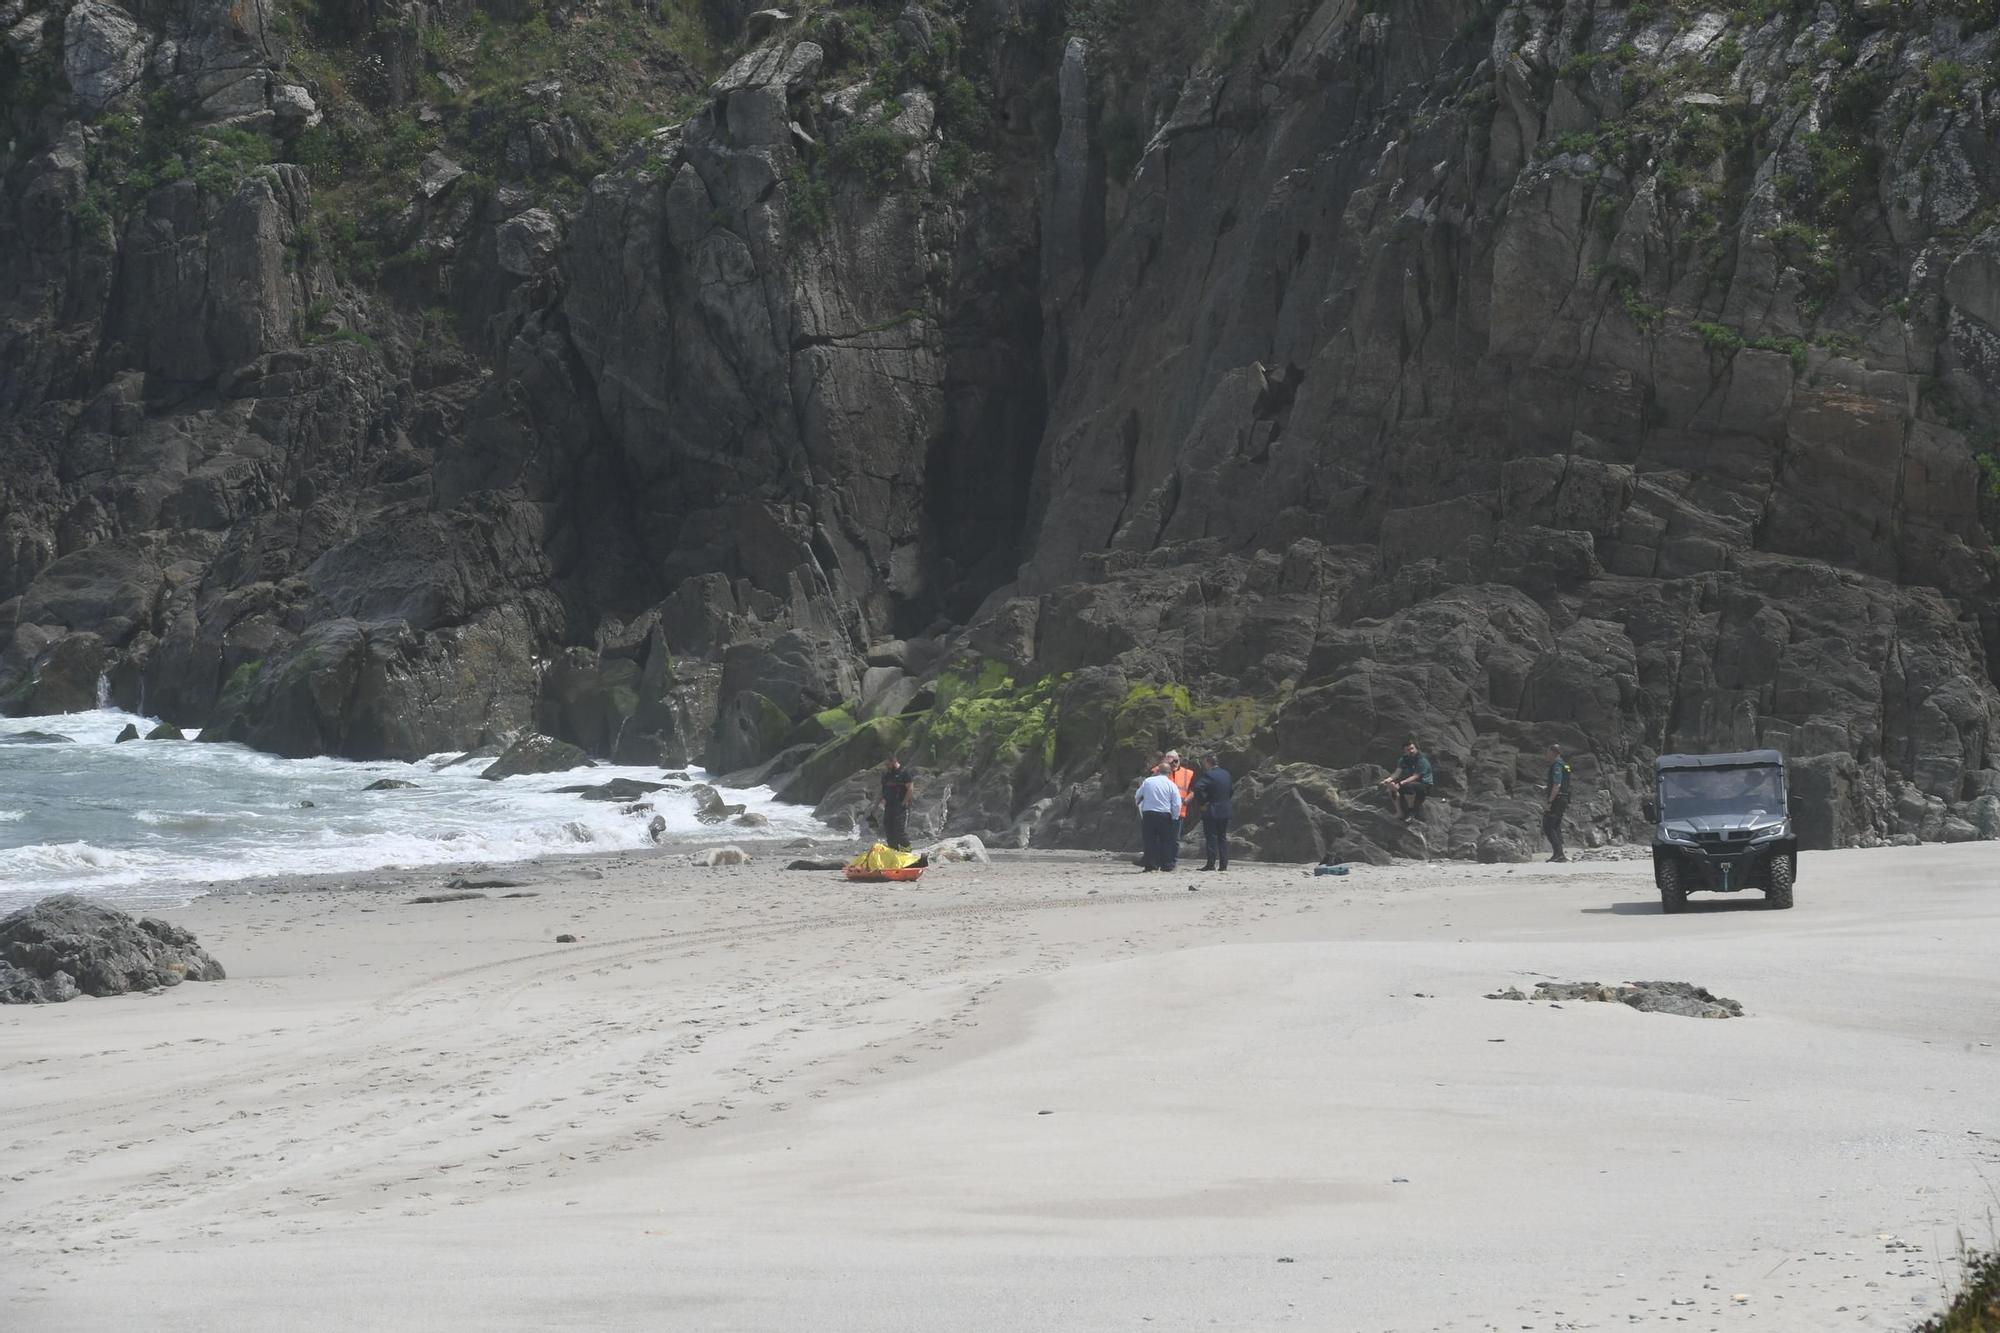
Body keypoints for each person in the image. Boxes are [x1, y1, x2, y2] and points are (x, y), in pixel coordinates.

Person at [1135, 763, 1182, 872]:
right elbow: (1176, 803)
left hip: (1149, 813)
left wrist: (1140, 808)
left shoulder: (1148, 781)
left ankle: (1151, 865)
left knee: (1149, 840)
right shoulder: (1171, 784)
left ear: (1157, 771)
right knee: (1166, 840)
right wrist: (1175, 817)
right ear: (1169, 772)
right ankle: (1166, 864)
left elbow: (1137, 796)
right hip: (1164, 814)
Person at [1191, 754, 1233, 872]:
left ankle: (1211, 864)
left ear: (1208, 763)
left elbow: (1198, 788)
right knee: (1222, 837)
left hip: (1212, 809)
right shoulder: (1226, 774)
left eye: (1204, 762)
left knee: (1211, 837)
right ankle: (1223, 865)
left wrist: (1202, 802)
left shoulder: (1209, 775)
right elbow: (1230, 790)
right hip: (1225, 808)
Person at [1380, 740, 1434, 820]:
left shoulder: (1422, 760)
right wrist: (1386, 780)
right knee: (1390, 789)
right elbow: (1396, 774)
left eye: (1412, 748)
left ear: (1416, 748)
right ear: (1404, 751)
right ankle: (1399, 812)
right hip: (1410, 782)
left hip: (1424, 784)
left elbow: (1416, 776)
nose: (1411, 751)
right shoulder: (1403, 760)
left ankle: (1411, 810)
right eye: (1408, 750)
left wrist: (1400, 784)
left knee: (1406, 786)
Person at [873, 756, 917, 851]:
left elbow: (910, 789)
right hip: (888, 806)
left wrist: (904, 803)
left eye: (887, 764)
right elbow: (881, 791)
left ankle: (908, 851)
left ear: (893, 762)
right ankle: (894, 852)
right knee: (889, 830)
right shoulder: (886, 775)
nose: (886, 766)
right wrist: (875, 806)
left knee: (899, 831)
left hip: (900, 806)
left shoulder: (904, 773)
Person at [1543, 742, 1572, 863]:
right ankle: (1559, 854)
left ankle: (1558, 854)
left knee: (1548, 825)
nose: (1546, 755)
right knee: (1556, 826)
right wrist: (1546, 788)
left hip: (1557, 799)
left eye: (1548, 752)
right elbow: (1564, 783)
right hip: (1564, 797)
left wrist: (1550, 800)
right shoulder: (1565, 765)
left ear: (1553, 753)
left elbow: (1557, 784)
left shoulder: (1556, 765)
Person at [1165, 750, 1196, 844]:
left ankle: (1172, 858)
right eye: (1171, 762)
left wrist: (1187, 799)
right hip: (1164, 810)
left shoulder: (1188, 773)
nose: (1174, 764)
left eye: (1176, 761)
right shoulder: (1160, 771)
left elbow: (1193, 790)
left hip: (1179, 811)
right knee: (1162, 837)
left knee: (1175, 839)